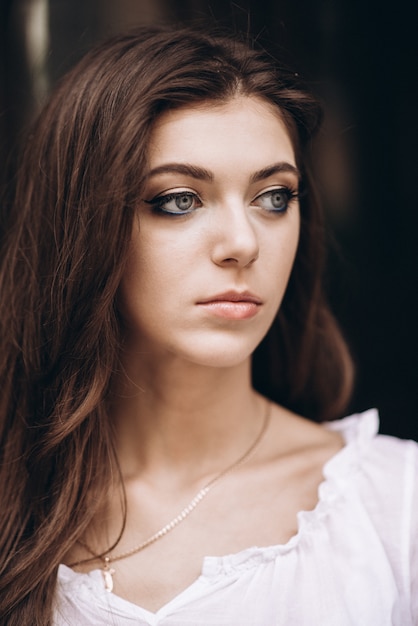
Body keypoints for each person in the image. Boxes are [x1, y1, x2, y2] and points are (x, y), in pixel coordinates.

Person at [0, 25, 416, 626]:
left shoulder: (394, 510)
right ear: (81, 228)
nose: (243, 243)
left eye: (274, 196)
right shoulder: (19, 501)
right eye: (179, 200)